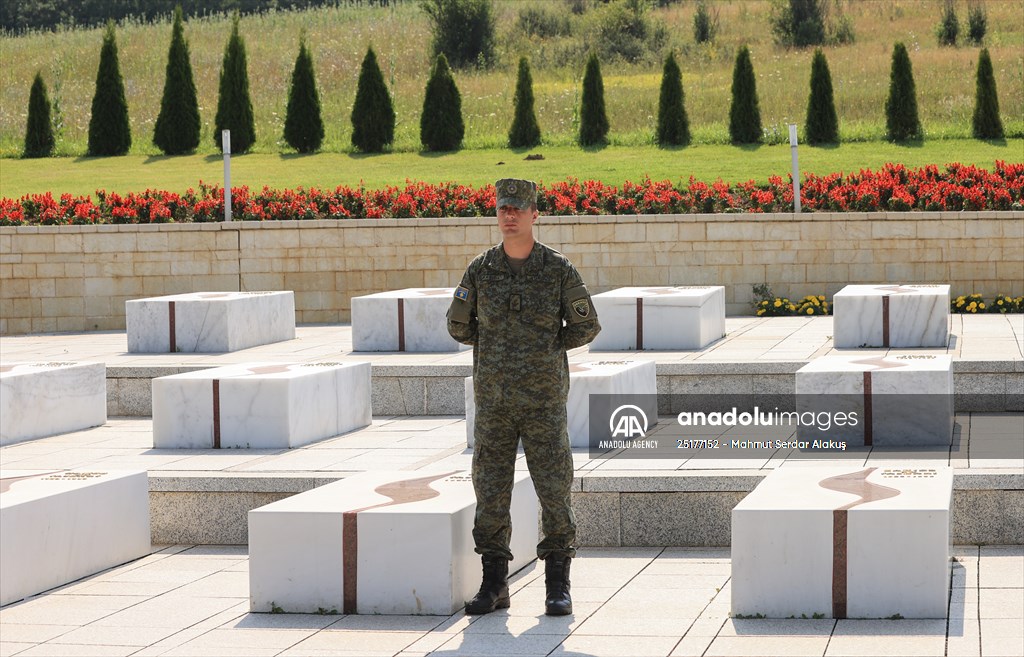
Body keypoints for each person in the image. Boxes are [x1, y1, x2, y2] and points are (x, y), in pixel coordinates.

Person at [447, 178, 601, 617]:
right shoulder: (480, 269)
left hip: (543, 401)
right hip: (493, 402)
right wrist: (496, 346)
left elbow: (587, 325)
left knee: (554, 489)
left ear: (536, 214)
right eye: (502, 208)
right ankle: (494, 583)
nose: (509, 215)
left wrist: (545, 348)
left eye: (518, 208)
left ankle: (557, 584)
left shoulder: (557, 269)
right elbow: (458, 326)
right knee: (490, 491)